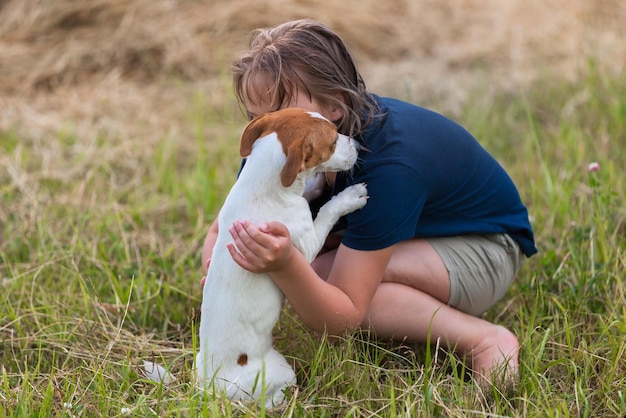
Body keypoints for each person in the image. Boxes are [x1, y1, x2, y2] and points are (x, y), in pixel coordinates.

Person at [200, 19, 537, 386]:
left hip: (486, 247)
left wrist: (285, 265)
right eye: (256, 117)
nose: (268, 125)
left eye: (280, 111)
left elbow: (340, 320)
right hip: (414, 237)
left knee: (320, 282)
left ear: (334, 106)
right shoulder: (281, 142)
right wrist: (223, 276)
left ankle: (485, 340)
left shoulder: (389, 164)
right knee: (312, 275)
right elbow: (223, 229)